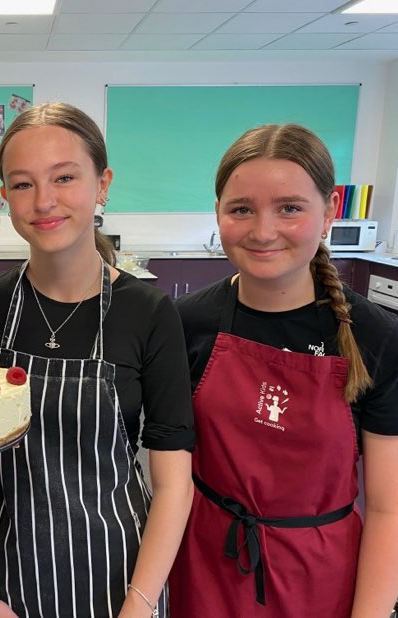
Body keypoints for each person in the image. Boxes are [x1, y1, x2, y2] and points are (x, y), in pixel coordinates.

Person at [0, 102, 195, 617]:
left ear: (102, 183)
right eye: (22, 184)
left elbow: (173, 479)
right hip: (11, 566)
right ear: (5, 197)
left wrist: (141, 602)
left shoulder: (148, 311)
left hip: (122, 568)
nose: (44, 201)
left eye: (64, 177)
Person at [168, 123, 398, 616]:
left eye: (289, 207)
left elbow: (387, 508)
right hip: (205, 567)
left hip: (322, 579)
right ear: (218, 213)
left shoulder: (376, 337)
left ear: (330, 211)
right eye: (241, 209)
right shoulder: (186, 323)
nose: (262, 230)